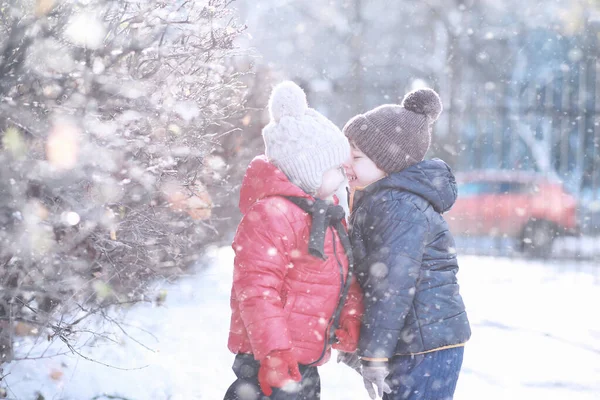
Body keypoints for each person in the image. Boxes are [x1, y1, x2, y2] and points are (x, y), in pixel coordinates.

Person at [224, 81, 363, 400]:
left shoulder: (324, 214)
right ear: (308, 168)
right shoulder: (272, 214)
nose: (344, 175)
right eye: (334, 168)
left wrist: (349, 317)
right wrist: (273, 351)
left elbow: (343, 272)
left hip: (304, 360)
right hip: (267, 361)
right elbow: (256, 288)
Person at [340, 88, 471, 400]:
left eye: (356, 156)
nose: (347, 164)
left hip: (423, 345)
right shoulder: (382, 199)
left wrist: (374, 354)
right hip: (417, 342)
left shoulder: (396, 205)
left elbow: (391, 286)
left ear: (389, 163)